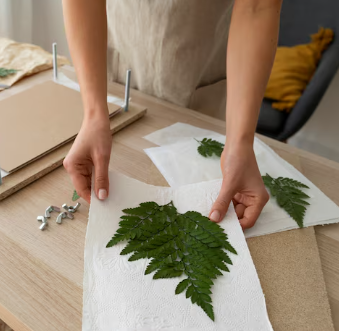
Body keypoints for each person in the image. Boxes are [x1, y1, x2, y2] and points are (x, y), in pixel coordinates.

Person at [61, 0, 283, 229]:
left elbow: (257, 7)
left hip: (202, 59)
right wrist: (94, 114)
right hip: (124, 47)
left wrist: (240, 143)